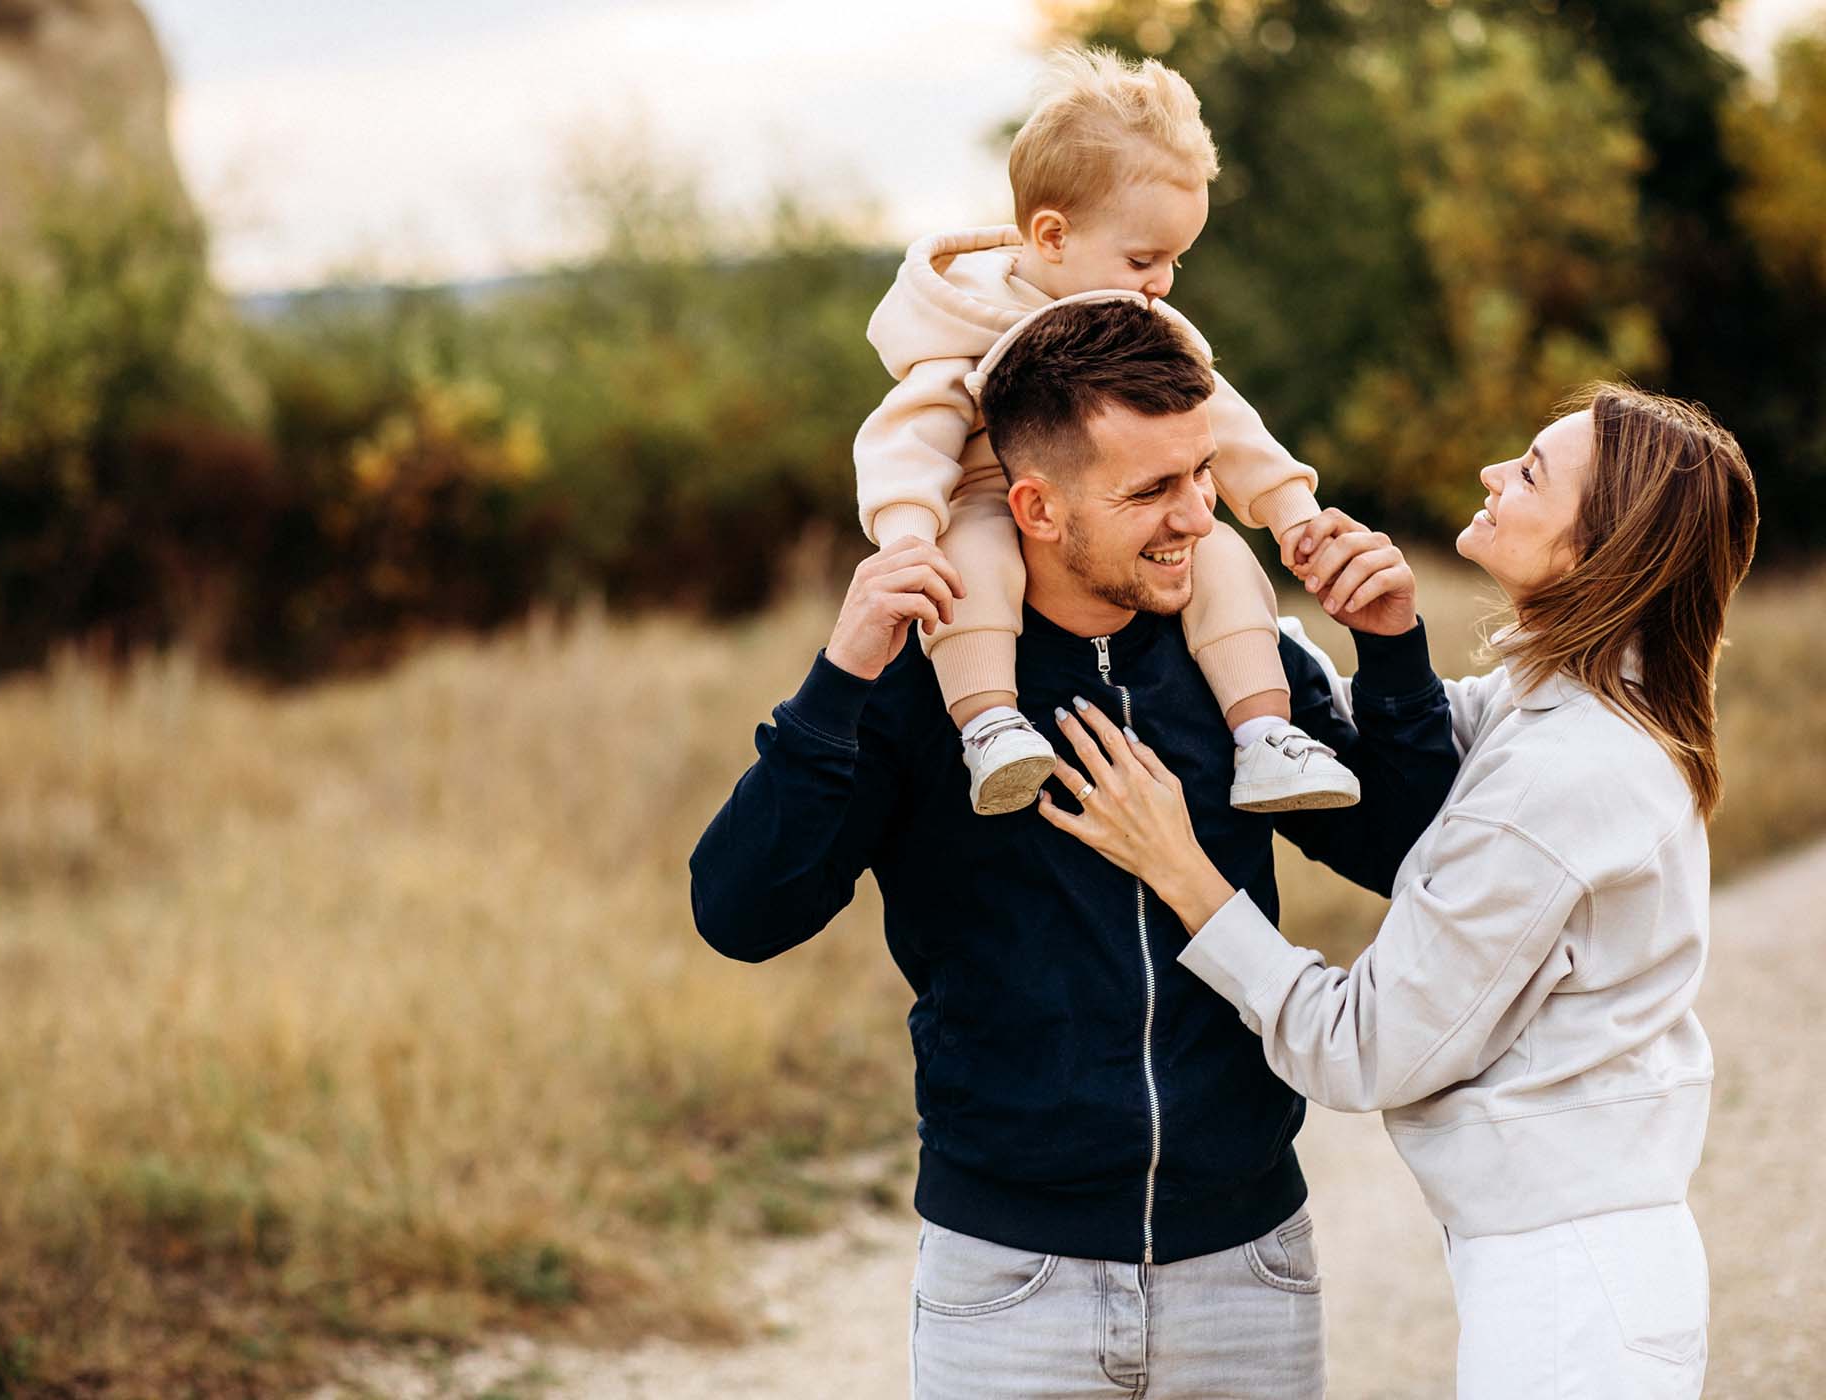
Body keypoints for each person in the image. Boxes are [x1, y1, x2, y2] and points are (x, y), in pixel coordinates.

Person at [690, 296, 1461, 1399]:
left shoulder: (1239, 665)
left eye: (1202, 472)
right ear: (1035, 508)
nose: (1196, 516)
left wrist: (1390, 655)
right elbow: (740, 913)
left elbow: (1408, 856)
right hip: (1008, 1284)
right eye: (1149, 491)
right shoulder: (925, 689)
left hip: (1249, 1270)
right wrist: (841, 675)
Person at [1044, 386, 1758, 1399]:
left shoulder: (1564, 774)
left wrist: (1180, 870)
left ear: (1599, 551)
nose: (1491, 475)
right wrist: (1367, 636)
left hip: (1570, 1295)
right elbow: (1404, 753)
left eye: (1529, 474)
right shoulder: (1564, 707)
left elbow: (1360, 1046)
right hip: (1574, 1262)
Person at [854, 45, 1358, 816]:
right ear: (1053, 237)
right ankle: (990, 723)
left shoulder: (1139, 323)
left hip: (1114, 521)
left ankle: (1264, 736)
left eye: (1177, 261)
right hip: (990, 498)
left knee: (1220, 551)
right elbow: (908, 439)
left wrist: (1293, 512)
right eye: (1144, 258)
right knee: (971, 555)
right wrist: (908, 538)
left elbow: (1223, 417)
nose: (1162, 283)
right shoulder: (962, 323)